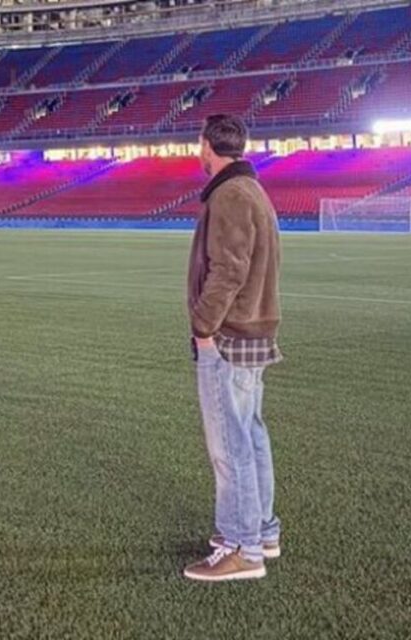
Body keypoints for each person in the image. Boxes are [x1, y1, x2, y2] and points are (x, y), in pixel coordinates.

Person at [183, 114, 283, 582]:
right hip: (253, 332)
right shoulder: (251, 190)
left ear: (207, 145)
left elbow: (228, 269)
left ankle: (242, 547)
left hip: (230, 336)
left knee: (231, 444)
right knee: (251, 435)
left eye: (198, 144)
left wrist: (204, 325)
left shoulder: (229, 194)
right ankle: (261, 531)